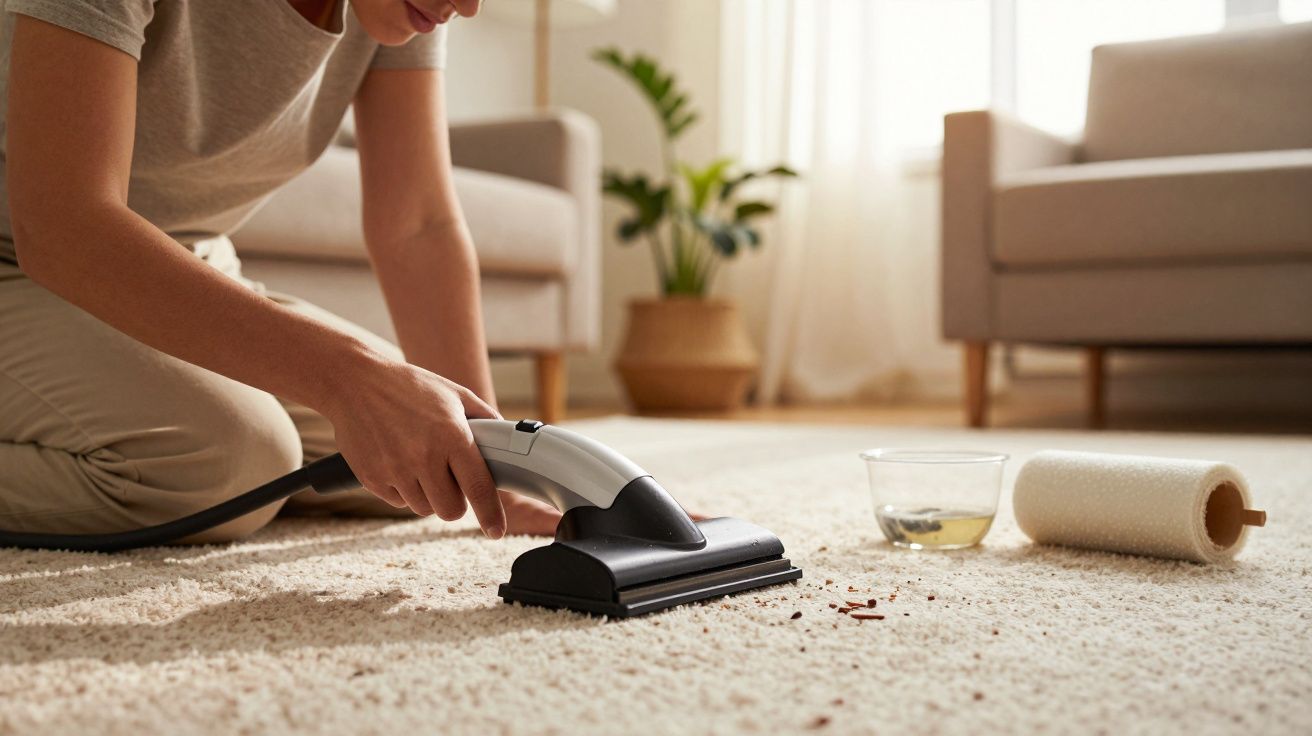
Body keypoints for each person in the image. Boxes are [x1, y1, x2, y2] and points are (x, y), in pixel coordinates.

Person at [0, 0, 563, 543]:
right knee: (235, 459)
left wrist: (487, 456)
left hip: (190, 262)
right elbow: (62, 227)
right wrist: (346, 377)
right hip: (21, 264)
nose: (469, 7)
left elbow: (418, 225)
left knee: (409, 454)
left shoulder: (400, 8)